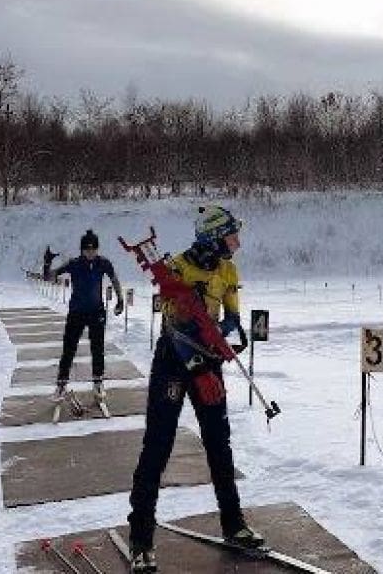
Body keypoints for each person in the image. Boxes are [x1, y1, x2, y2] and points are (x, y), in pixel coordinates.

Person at [126, 205, 264, 573]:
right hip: (174, 360)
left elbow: (230, 318)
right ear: (213, 236)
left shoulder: (228, 270)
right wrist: (200, 365)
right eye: (231, 234)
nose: (237, 241)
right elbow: (176, 329)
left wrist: (231, 335)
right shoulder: (177, 270)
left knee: (219, 443)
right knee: (158, 445)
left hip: (208, 360)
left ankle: (234, 525)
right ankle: (140, 538)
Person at [45, 229, 124, 402]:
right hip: (77, 312)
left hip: (96, 312)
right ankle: (61, 384)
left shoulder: (103, 263)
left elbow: (114, 279)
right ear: (82, 250)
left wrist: (120, 299)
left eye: (93, 249)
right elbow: (50, 277)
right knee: (69, 349)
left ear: (97, 249)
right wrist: (47, 264)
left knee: (98, 349)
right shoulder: (73, 263)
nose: (90, 252)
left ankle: (98, 382)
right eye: (87, 249)